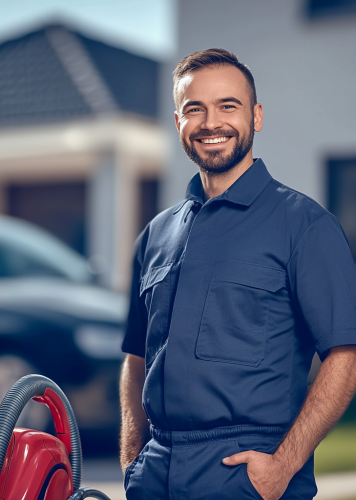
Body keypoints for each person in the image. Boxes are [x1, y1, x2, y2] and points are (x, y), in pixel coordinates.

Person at [119, 48, 356, 500]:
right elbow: (135, 359)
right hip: (156, 476)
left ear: (256, 116)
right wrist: (134, 461)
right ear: (178, 124)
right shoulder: (156, 235)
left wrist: (282, 467)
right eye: (195, 109)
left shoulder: (304, 225)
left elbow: (345, 357)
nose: (211, 123)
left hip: (247, 476)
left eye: (228, 106)